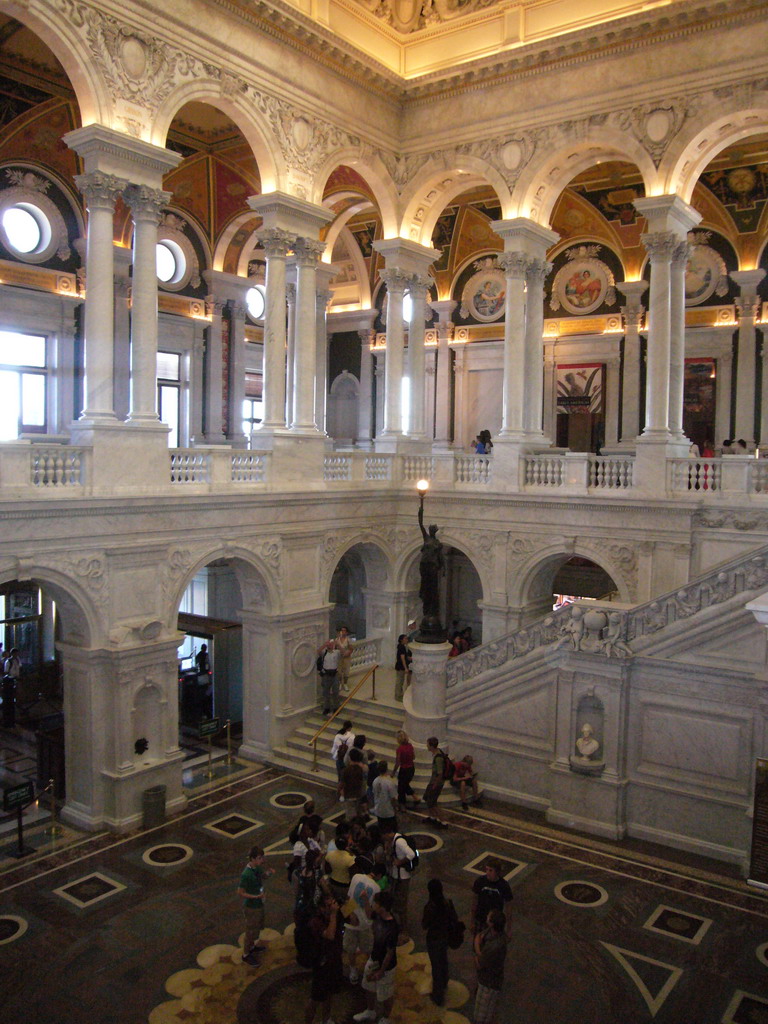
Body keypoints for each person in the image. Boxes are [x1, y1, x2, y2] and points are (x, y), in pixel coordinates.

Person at [353, 890, 399, 1024]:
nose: (374, 905)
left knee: (386, 993)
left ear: (382, 907)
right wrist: (366, 900)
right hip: (374, 959)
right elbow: (369, 914)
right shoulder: (379, 916)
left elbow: (390, 952)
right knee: (368, 986)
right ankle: (370, 1011)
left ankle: (386, 1017)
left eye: (375, 903)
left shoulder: (392, 927)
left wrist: (381, 971)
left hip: (386, 967)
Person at [305, 888, 344, 1024]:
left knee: (330, 993)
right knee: (315, 998)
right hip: (322, 964)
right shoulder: (315, 921)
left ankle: (326, 1019)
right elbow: (330, 935)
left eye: (332, 904)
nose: (330, 908)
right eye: (327, 906)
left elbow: (355, 921)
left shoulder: (335, 914)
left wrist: (350, 904)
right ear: (320, 908)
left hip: (335, 960)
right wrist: (333, 915)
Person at [344, 857, 385, 984]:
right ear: (379, 875)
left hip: (351, 921)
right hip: (365, 924)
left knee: (351, 949)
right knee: (367, 949)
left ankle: (353, 972)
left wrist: (350, 915)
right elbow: (369, 913)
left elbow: (348, 897)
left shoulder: (356, 877)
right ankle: (368, 972)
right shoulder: (377, 888)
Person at [237, 844, 274, 965]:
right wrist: (256, 896)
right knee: (250, 931)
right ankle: (246, 954)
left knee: (257, 927)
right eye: (259, 858)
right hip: (251, 906)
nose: (262, 860)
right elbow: (240, 892)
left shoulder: (257, 868)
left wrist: (269, 873)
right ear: (252, 859)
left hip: (259, 904)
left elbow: (263, 876)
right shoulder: (246, 874)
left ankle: (252, 947)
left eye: (262, 857)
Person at [473, 909, 509, 1024]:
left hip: (488, 982)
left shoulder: (494, 947)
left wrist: (476, 946)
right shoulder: (499, 935)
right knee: (488, 1009)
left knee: (481, 1015)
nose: (487, 916)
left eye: (489, 917)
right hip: (493, 978)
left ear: (492, 923)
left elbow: (479, 963)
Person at [381, 825, 416, 944]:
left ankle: (404, 930)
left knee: (401, 905)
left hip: (402, 877)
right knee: (396, 902)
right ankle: (400, 927)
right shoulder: (392, 842)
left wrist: (400, 862)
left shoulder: (399, 842)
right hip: (396, 876)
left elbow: (411, 854)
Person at [422, 878, 451, 1006]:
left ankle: (438, 995)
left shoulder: (430, 907)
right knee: (443, 959)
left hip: (434, 938)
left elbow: (425, 924)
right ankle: (444, 982)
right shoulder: (447, 903)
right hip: (445, 936)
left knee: (436, 965)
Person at [470, 858, 513, 937]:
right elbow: (474, 902)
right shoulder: (480, 882)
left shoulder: (503, 886)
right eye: (487, 869)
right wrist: (472, 921)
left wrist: (509, 929)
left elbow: (508, 907)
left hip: (495, 922)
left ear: (497, 872)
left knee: (493, 945)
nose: (487, 873)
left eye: (490, 870)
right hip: (480, 918)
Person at [417, 502, 444, 620]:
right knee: (425, 586)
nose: (432, 531)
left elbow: (440, 557)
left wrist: (443, 568)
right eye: (432, 529)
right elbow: (421, 525)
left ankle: (431, 611)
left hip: (433, 566)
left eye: (433, 529)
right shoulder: (426, 538)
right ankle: (427, 609)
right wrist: (421, 511)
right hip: (424, 565)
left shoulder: (438, 544)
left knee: (432, 588)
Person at [424, 736, 448, 828]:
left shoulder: (438, 758)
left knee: (433, 804)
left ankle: (443, 822)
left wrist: (434, 785)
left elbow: (440, 774)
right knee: (428, 800)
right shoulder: (438, 752)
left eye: (428, 744)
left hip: (436, 783)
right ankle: (432, 817)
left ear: (431, 746)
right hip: (433, 782)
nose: (426, 746)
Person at [324, 834, 356, 902]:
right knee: (346, 906)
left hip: (332, 883)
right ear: (346, 844)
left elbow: (327, 870)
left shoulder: (329, 855)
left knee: (334, 902)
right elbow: (352, 875)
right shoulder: (350, 858)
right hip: (345, 886)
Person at [394, 730, 419, 810]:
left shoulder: (399, 749)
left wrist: (393, 772)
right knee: (405, 785)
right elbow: (414, 757)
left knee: (401, 788)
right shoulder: (410, 746)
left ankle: (402, 805)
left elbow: (398, 762)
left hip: (404, 770)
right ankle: (415, 797)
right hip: (411, 768)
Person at [318, 637, 341, 715]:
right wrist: (325, 645)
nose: (330, 645)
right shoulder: (324, 652)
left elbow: (344, 653)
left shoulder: (336, 652)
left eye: (331, 644)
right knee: (326, 692)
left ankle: (336, 708)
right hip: (326, 674)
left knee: (335, 692)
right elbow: (318, 651)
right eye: (329, 644)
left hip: (334, 674)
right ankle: (326, 707)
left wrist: (338, 644)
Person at [371, 761, 398, 831]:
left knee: (382, 829)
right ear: (386, 769)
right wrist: (395, 809)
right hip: (388, 811)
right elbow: (393, 798)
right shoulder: (389, 782)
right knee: (392, 830)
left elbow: (374, 794)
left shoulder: (375, 781)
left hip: (378, 809)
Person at [342, 747, 366, 820]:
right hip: (359, 794)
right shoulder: (362, 769)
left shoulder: (346, 770)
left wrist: (339, 792)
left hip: (349, 795)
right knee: (359, 815)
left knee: (351, 818)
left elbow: (342, 783)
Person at [330, 720, 354, 793]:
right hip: (347, 759)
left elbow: (334, 748)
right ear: (350, 728)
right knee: (346, 776)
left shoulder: (338, 735)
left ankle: (339, 791)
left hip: (339, 757)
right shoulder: (352, 737)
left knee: (340, 776)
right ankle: (345, 791)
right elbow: (351, 749)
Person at [2, 647, 20, 728]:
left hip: (13, 681)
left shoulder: (17, 660)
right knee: (9, 702)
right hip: (9, 682)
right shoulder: (8, 662)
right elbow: (6, 672)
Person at [335, 624, 354, 694]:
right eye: (342, 631)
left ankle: (345, 684)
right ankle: (340, 683)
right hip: (339, 657)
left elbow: (351, 648)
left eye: (344, 631)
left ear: (346, 632)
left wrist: (347, 653)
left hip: (346, 657)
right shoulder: (337, 640)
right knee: (339, 671)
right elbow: (335, 648)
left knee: (346, 671)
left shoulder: (348, 640)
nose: (343, 632)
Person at [394, 634, 411, 702]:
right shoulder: (402, 647)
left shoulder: (401, 647)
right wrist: (406, 668)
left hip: (399, 666)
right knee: (400, 681)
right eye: (405, 639)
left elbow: (404, 656)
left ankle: (399, 694)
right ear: (401, 640)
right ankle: (398, 696)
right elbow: (402, 658)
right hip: (401, 667)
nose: (407, 640)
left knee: (400, 681)